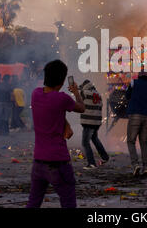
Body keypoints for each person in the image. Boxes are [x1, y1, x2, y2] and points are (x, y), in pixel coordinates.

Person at [26, 60, 85, 209]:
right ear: (62, 80)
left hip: (38, 162)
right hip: (58, 162)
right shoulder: (62, 98)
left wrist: (66, 123)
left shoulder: (36, 94)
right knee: (68, 203)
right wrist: (76, 92)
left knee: (33, 203)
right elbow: (81, 108)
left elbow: (50, 110)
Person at [125, 71, 147, 177]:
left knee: (131, 141)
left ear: (138, 76)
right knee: (143, 142)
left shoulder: (133, 83)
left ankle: (135, 165)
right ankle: (146, 167)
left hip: (135, 114)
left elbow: (127, 96)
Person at [79, 79, 109, 170]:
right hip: (97, 122)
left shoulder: (85, 93)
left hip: (89, 121)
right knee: (94, 138)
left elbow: (79, 99)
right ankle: (105, 157)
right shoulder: (98, 94)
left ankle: (91, 163)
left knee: (85, 142)